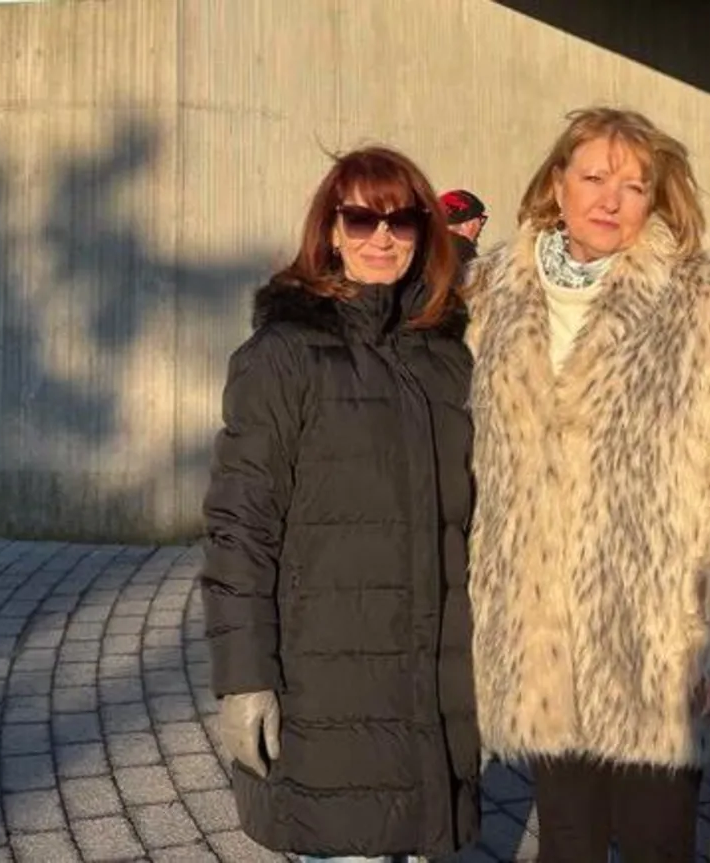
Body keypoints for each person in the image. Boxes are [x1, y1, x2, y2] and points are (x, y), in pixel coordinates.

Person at [465, 107, 710, 862]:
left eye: (633, 183)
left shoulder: (703, 301)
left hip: (658, 631)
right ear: (557, 185)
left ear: (657, 197)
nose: (610, 199)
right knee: (568, 840)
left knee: (657, 842)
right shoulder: (490, 297)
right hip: (536, 621)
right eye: (593, 177)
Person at [199, 147, 479, 861]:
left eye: (401, 220)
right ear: (329, 230)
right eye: (360, 218)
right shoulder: (284, 354)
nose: (381, 238)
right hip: (327, 678)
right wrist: (245, 678)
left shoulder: (448, 354)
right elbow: (239, 526)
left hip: (432, 672)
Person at [441, 188, 489, 266]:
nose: (481, 226)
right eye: (480, 219)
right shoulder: (463, 250)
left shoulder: (430, 245)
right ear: (467, 223)